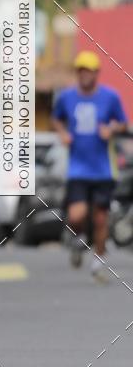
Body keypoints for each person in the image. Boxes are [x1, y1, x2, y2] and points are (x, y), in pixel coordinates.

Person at [52, 50, 128, 282]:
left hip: (104, 168)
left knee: (101, 219)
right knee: (77, 216)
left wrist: (112, 129)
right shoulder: (66, 97)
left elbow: (123, 123)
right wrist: (63, 133)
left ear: (96, 73)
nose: (85, 75)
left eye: (89, 70)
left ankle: (98, 262)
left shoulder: (110, 97)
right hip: (78, 168)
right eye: (81, 70)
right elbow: (57, 118)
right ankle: (78, 239)